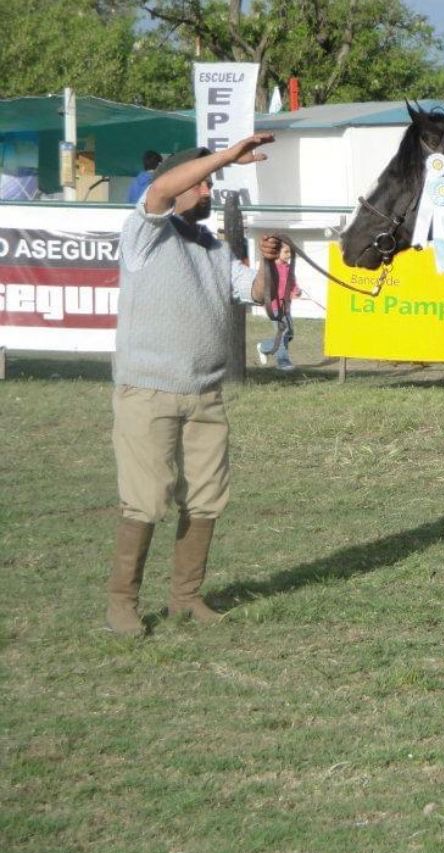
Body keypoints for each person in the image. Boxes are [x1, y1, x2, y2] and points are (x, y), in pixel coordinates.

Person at [106, 136, 281, 636]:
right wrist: (226, 156)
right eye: (201, 183)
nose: (207, 192)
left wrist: (267, 259)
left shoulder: (213, 249)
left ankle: (185, 598)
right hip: (148, 391)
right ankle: (122, 604)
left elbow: (257, 292)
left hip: (206, 394)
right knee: (146, 499)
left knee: (206, 498)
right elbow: (160, 188)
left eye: (209, 183)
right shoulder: (144, 233)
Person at [256, 240, 300, 371]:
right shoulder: (271, 268)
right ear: (277, 253)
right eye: (286, 252)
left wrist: (296, 291)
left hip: (286, 306)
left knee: (290, 334)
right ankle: (283, 362)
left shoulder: (288, 268)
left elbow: (292, 283)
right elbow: (265, 286)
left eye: (290, 252)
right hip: (274, 306)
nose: (288, 255)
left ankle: (263, 347)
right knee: (283, 332)